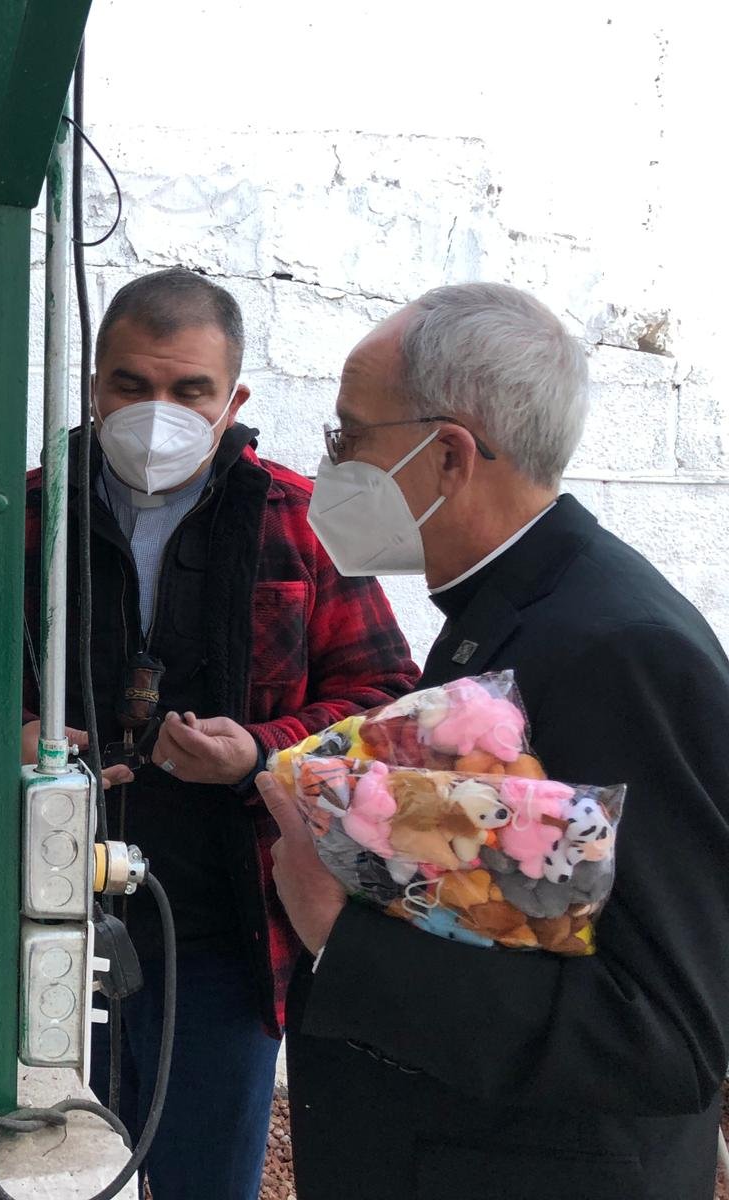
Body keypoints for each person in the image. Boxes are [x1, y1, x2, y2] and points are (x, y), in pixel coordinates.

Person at [0, 268, 420, 1199]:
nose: (157, 414)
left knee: (203, 1175)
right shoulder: (27, 515)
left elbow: (384, 700)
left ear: (235, 401)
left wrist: (263, 753)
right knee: (56, 1168)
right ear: (95, 385)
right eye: (131, 387)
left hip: (231, 922)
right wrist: (10, 736)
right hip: (49, 917)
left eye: (190, 392)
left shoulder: (301, 524)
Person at [260, 281, 729, 1199]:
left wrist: (339, 932)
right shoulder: (514, 607)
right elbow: (518, 897)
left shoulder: (617, 648)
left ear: (448, 456)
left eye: (348, 437)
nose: (332, 463)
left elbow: (667, 1035)